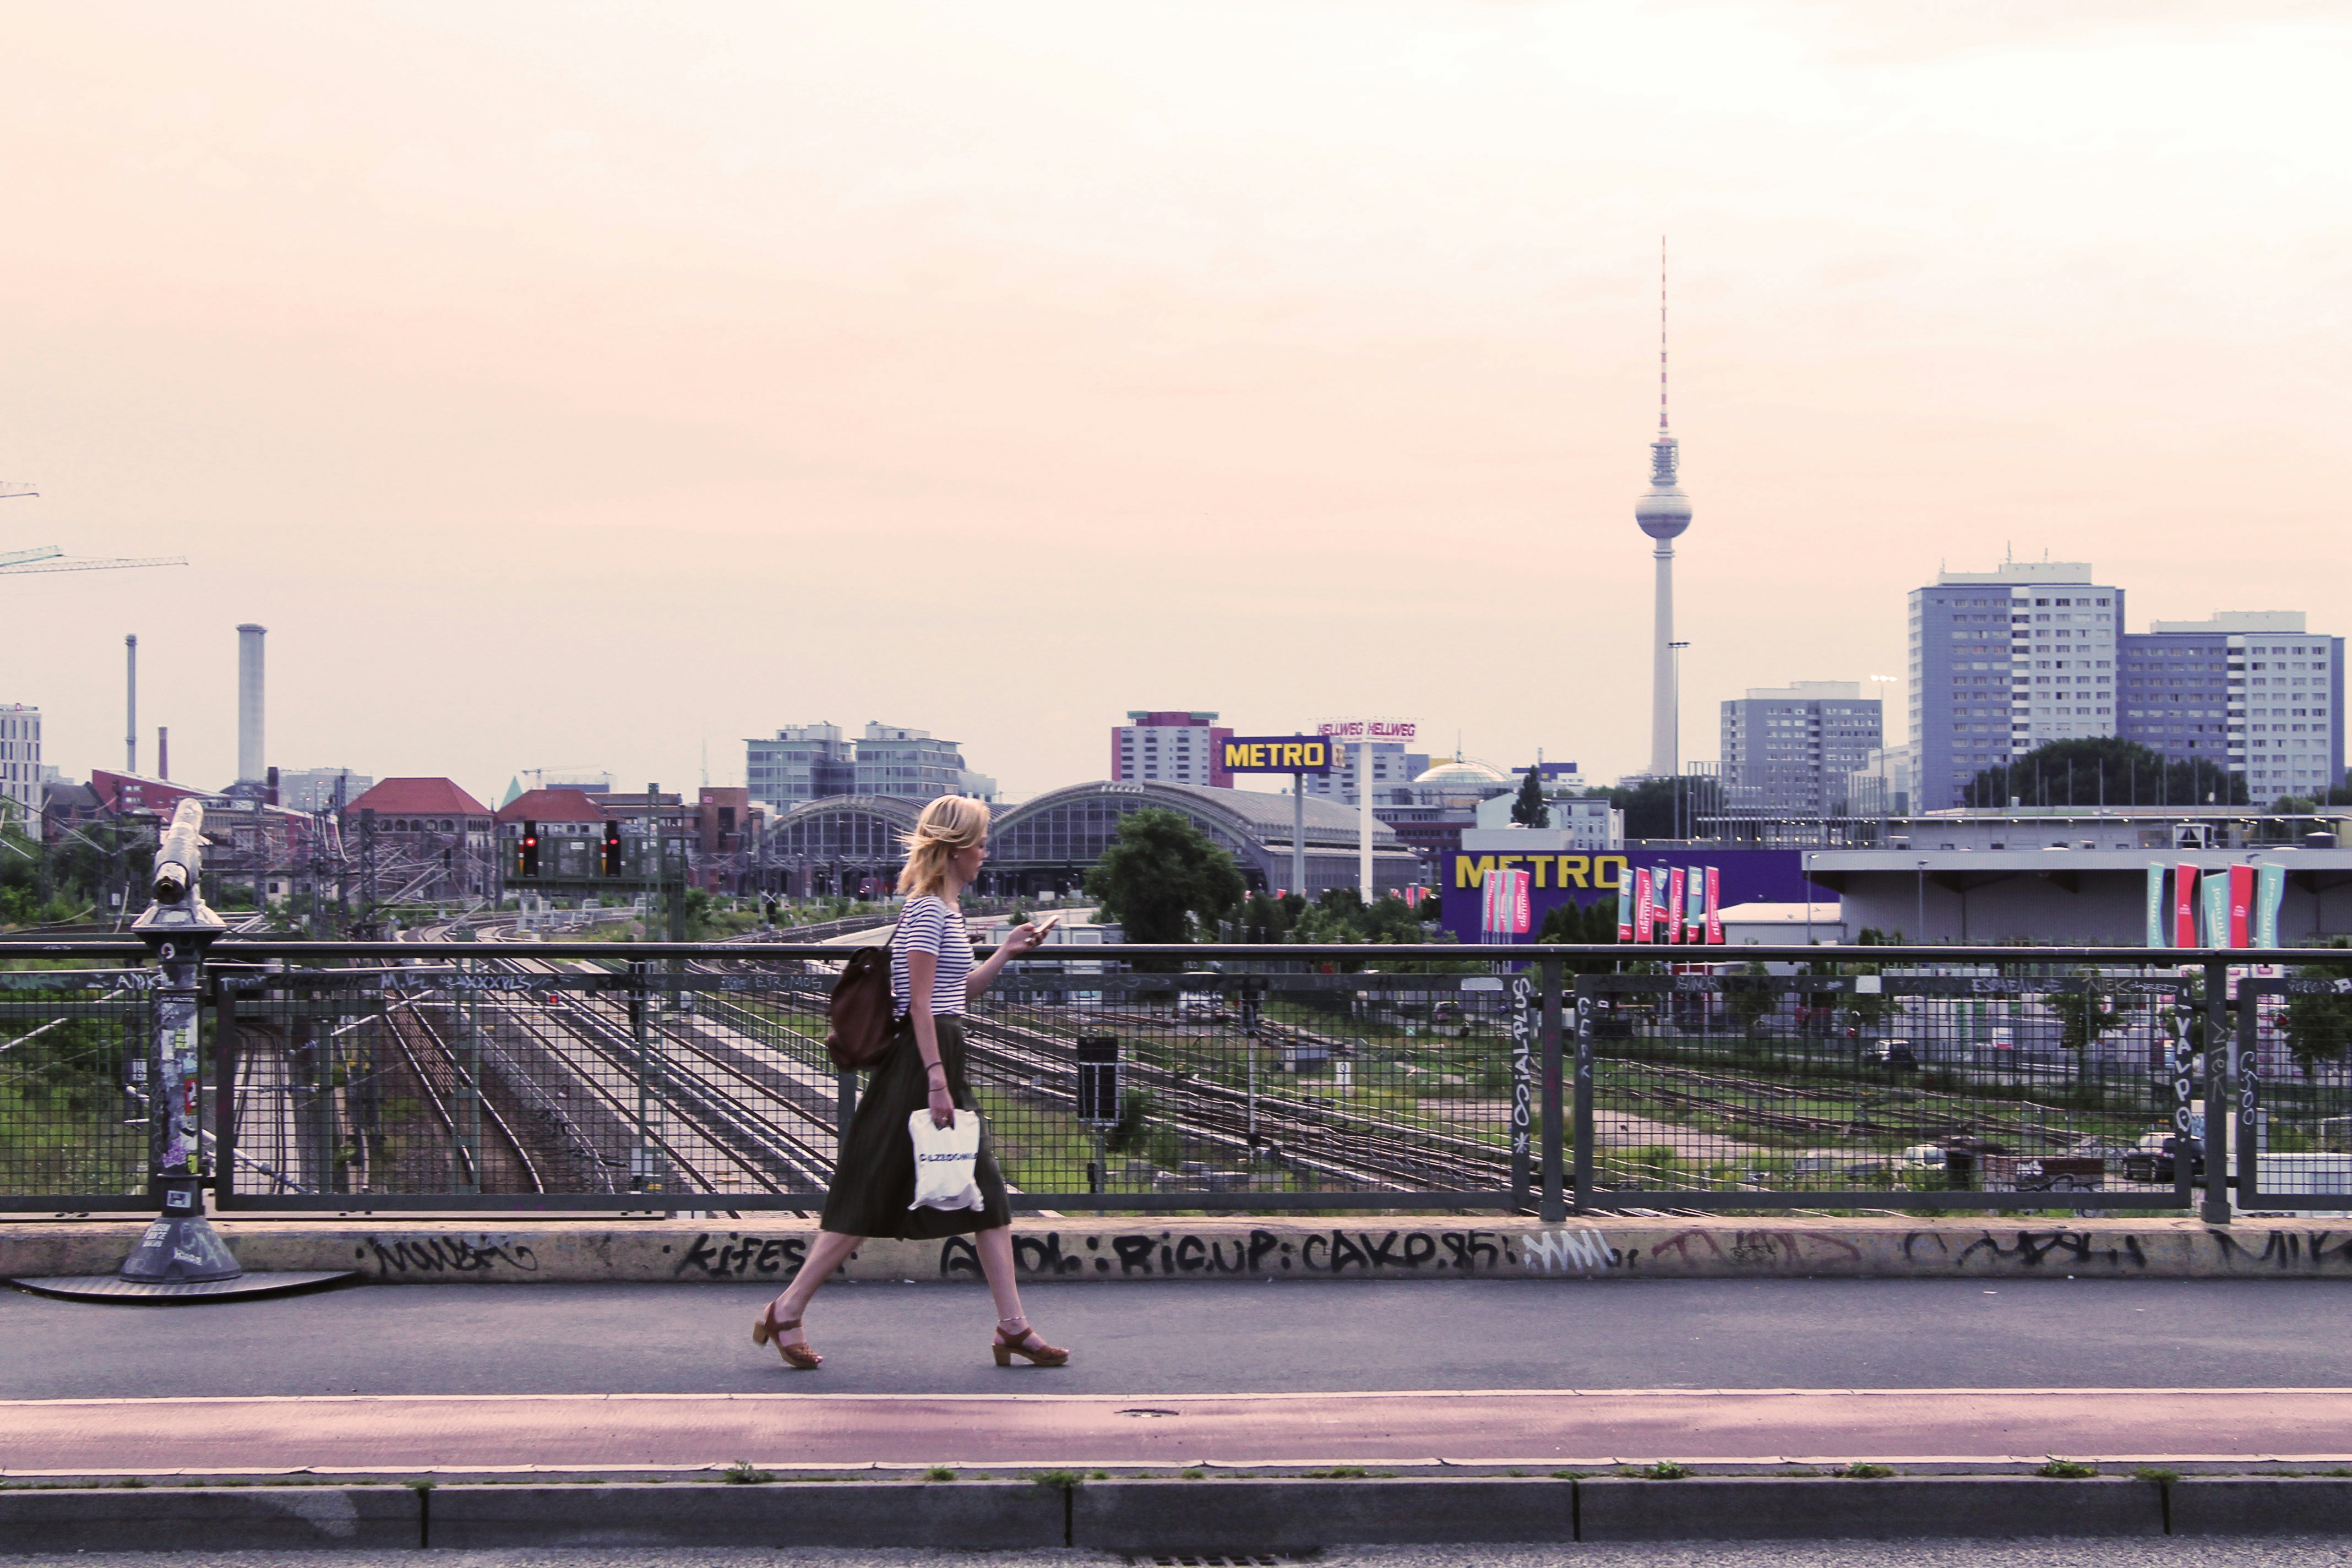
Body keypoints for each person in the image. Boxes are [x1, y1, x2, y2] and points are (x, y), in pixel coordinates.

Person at [753, 794, 1069, 1370]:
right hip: (920, 1065)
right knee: (873, 1193)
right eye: (978, 842)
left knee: (986, 1193)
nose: (985, 852)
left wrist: (1005, 951)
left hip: (940, 1053)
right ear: (954, 848)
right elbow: (918, 1005)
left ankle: (1013, 1327)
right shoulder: (926, 911)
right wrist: (936, 1081)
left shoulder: (947, 912)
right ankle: (788, 1307)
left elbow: (955, 996)